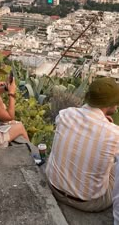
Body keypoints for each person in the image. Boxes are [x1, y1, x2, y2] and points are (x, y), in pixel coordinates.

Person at [46, 77, 119, 212]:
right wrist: (107, 125)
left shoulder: (65, 114)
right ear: (109, 104)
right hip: (89, 202)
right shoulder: (114, 134)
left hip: (54, 187)